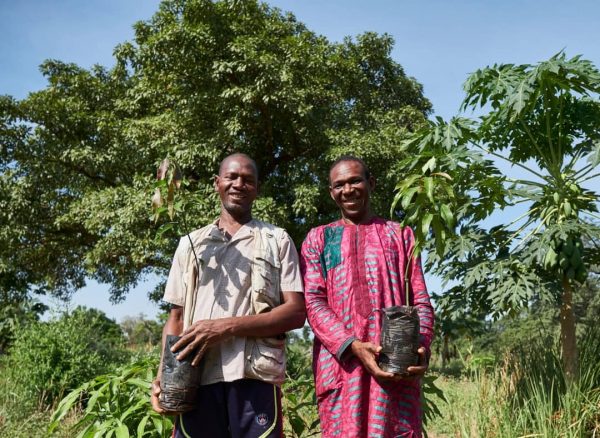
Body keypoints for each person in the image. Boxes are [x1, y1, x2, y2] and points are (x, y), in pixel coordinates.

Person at [151, 153, 305, 438]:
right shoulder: (190, 244)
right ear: (216, 183)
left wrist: (225, 327)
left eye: (248, 180)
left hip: (255, 376)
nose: (239, 184)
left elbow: (296, 312)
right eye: (231, 177)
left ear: (257, 189)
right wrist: (164, 373)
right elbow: (177, 317)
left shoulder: (277, 239)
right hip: (196, 377)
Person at [300, 156, 434, 438]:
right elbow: (313, 301)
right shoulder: (318, 239)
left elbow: (420, 300)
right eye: (339, 185)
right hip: (342, 369)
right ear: (331, 192)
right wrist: (353, 345)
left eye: (355, 181)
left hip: (395, 369)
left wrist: (421, 347)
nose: (347, 190)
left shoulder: (401, 235)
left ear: (371, 183)